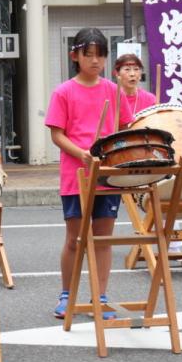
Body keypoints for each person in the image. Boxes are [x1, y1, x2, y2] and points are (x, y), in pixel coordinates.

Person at [45, 27, 122, 320]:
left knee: (103, 238)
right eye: (88, 54)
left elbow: (124, 128)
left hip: (107, 175)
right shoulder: (63, 91)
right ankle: (67, 294)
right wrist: (81, 153)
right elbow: (57, 134)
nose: (94, 61)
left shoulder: (113, 91)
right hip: (75, 174)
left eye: (100, 55)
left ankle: (100, 296)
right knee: (75, 238)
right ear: (74, 55)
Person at [113, 53, 157, 124]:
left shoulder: (150, 99)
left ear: (140, 75)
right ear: (117, 74)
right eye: (127, 69)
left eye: (136, 69)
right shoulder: (111, 98)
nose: (132, 74)